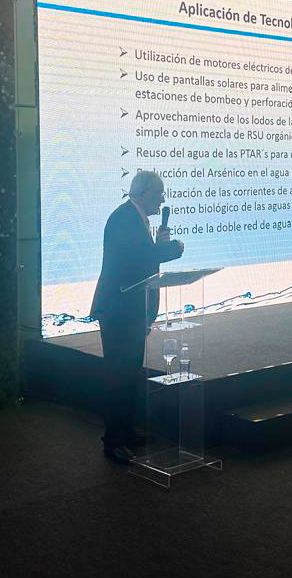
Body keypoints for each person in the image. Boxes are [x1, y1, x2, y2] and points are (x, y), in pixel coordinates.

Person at [91, 170, 185, 464]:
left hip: (131, 311)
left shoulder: (136, 218)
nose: (162, 201)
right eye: (159, 194)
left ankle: (125, 433)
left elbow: (140, 259)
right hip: (119, 311)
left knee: (129, 375)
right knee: (119, 377)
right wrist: (171, 249)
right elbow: (138, 259)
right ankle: (114, 442)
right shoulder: (123, 219)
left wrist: (157, 247)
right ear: (142, 193)